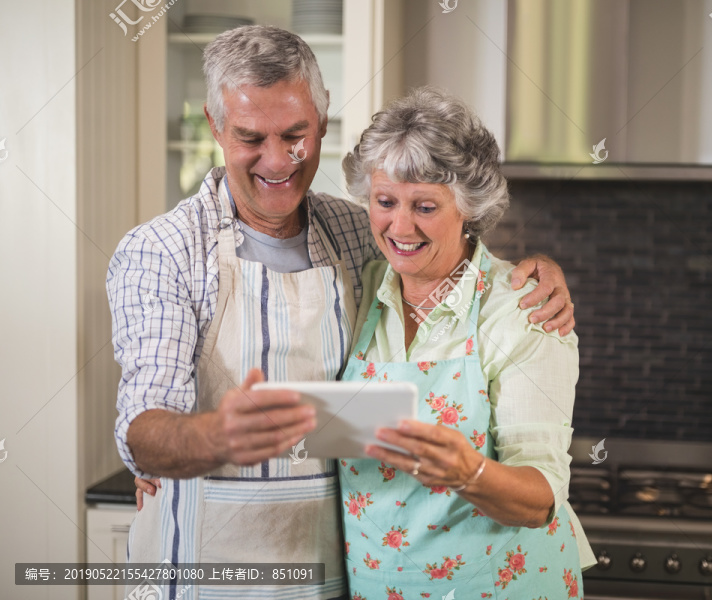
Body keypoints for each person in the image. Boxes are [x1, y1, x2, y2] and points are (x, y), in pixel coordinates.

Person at [112, 26, 575, 600]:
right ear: (214, 125)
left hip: (339, 580)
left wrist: (537, 268)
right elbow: (143, 429)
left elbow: (448, 253)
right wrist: (214, 435)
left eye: (295, 135)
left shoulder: (356, 237)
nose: (277, 160)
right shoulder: (164, 251)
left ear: (322, 124)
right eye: (251, 136)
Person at [337, 87, 594, 599]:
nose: (400, 226)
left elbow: (540, 498)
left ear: (469, 208)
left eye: (425, 206)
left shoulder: (523, 310)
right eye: (385, 202)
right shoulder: (358, 289)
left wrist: (468, 471)